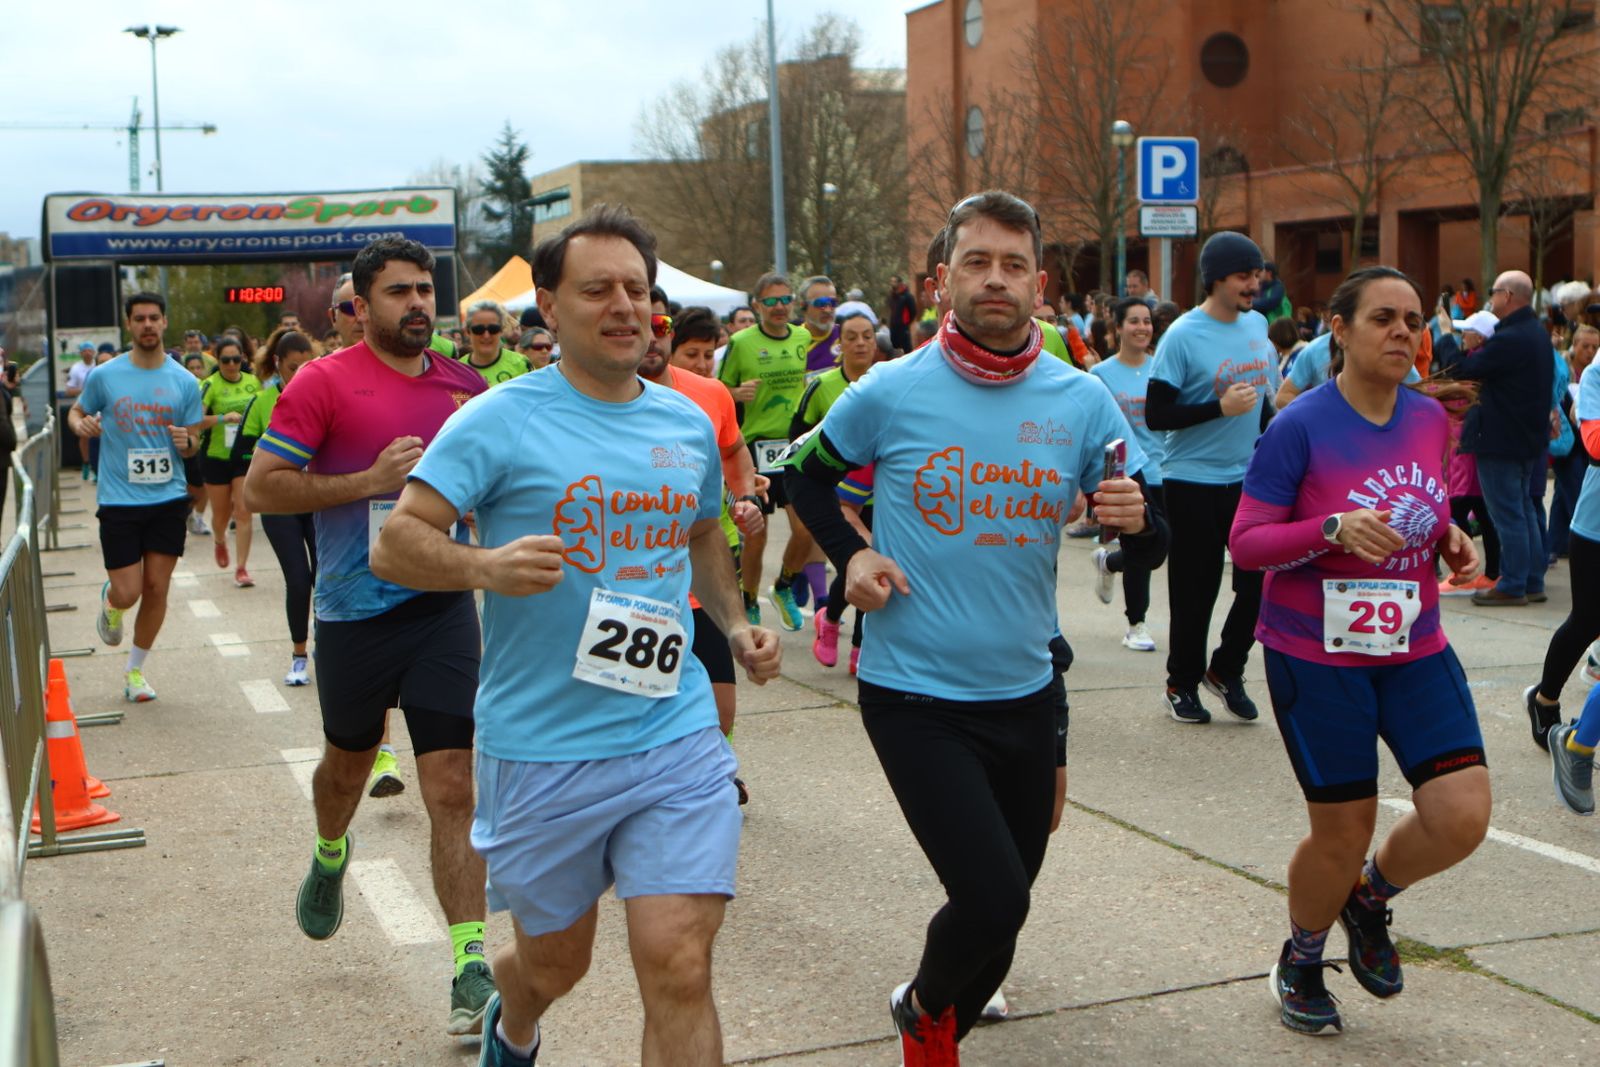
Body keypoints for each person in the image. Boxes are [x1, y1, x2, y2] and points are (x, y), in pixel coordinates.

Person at [369, 205, 781, 1067]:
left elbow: (702, 531)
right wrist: (484, 566)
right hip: (543, 746)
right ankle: (513, 1020)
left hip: (671, 729)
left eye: (637, 289)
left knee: (678, 959)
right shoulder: (498, 418)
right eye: (598, 290)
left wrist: (737, 621)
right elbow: (395, 542)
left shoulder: (683, 420)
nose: (624, 306)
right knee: (556, 962)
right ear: (550, 309)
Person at [786, 191, 1165, 1065]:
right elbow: (803, 477)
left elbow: (1150, 538)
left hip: (1026, 691)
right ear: (941, 281)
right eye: (977, 262)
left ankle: (931, 1003)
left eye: (1014, 265)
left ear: (1041, 284)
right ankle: (925, 1022)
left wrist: (1140, 522)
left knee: (1002, 917)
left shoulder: (1082, 400)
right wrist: (850, 553)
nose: (996, 279)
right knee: (993, 898)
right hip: (913, 695)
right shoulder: (891, 388)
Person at [242, 237, 496, 1035]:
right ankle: (330, 850)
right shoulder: (322, 382)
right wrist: (370, 483)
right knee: (345, 770)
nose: (417, 303)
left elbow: (498, 484)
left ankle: (470, 965)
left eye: (425, 289)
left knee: (452, 783)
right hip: (353, 614)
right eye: (397, 291)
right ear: (358, 304)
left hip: (442, 607)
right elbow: (261, 488)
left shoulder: (466, 387)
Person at [1230, 265, 1489, 1037]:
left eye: (1413, 319)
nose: (1403, 332)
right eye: (1383, 318)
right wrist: (1330, 528)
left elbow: (1420, 504)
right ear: (1339, 330)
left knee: (1462, 813)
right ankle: (1302, 958)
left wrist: (1446, 536)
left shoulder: (1428, 418)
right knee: (1342, 831)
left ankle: (1368, 899)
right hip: (1317, 657)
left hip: (1414, 644)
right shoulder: (1300, 425)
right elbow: (1247, 543)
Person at [1145, 231, 1277, 724]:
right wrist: (1218, 408)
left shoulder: (1258, 325)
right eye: (1244, 276)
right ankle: (1181, 683)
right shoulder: (1183, 335)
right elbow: (1156, 414)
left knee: (1261, 583)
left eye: (1257, 275)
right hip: (1191, 480)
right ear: (1216, 279)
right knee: (1195, 591)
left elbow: (1262, 402)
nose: (1254, 284)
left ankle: (1225, 669)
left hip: (1248, 478)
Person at [644, 298, 766, 804]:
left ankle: (715, 773)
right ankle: (685, 784)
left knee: (721, 706)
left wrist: (745, 498)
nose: (649, 333)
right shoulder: (594, 402)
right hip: (637, 588)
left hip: (700, 570)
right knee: (647, 709)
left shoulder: (708, 395)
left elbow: (733, 451)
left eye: (658, 323)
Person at [69, 291, 204, 702]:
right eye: (140, 318)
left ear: (164, 323)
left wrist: (187, 443)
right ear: (129, 324)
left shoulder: (185, 381)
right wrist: (80, 425)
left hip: (168, 498)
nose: (147, 325)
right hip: (119, 499)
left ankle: (135, 672)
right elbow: (77, 411)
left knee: (157, 588)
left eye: (154, 318)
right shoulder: (106, 375)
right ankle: (112, 602)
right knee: (129, 591)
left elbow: (193, 441)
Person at [1449, 271, 1553, 606]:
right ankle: (1531, 580)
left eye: (1493, 292)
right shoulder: (1536, 333)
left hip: (1501, 439)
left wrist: (1456, 343)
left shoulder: (1510, 338)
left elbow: (1465, 370)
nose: (1490, 298)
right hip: (1525, 439)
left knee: (1508, 514)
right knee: (1523, 509)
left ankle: (1512, 584)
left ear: (1507, 296)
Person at [718, 273, 813, 629]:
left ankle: (784, 586)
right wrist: (736, 393)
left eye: (785, 300)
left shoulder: (802, 337)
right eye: (771, 301)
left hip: (794, 446)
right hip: (756, 447)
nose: (779, 307)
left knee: (806, 530)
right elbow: (718, 390)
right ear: (757, 305)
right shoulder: (741, 342)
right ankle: (748, 600)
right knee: (756, 537)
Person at [790, 301, 881, 670]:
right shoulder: (821, 385)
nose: (860, 343)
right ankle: (829, 619)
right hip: (837, 490)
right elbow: (797, 438)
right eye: (852, 337)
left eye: (867, 336)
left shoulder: (887, 382)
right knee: (852, 563)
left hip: (880, 490)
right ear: (839, 344)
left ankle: (860, 647)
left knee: (874, 564)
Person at [1526, 337, 1600, 754]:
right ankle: (1544, 699)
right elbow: (1595, 443)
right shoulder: (1597, 374)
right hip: (1595, 527)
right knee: (1587, 621)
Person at [241, 329, 318, 686]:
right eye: (292, 368)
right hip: (279, 503)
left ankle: (326, 646)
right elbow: (240, 452)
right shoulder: (261, 402)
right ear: (277, 364)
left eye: (307, 366)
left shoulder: (322, 396)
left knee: (326, 576)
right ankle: (299, 656)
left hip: (318, 498)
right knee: (298, 580)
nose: (300, 374)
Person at [1091, 298, 1167, 652]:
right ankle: (1136, 624)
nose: (1142, 328)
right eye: (1133, 321)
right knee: (1139, 546)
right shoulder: (1100, 375)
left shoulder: (1161, 369)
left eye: (1147, 321)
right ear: (1118, 327)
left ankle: (1109, 562)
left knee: (1163, 545)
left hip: (1167, 469)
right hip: (1130, 473)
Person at [198, 336, 262, 587]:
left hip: (244, 456)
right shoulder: (210, 384)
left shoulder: (253, 382)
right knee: (221, 513)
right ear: (218, 360)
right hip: (216, 456)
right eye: (226, 360)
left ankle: (242, 568)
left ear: (243, 358)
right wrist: (222, 418)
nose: (232, 365)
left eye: (236, 359)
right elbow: (195, 421)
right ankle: (219, 539)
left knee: (244, 511)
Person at [1550, 326, 1598, 559]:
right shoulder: (1563, 370)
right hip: (1567, 444)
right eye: (1585, 346)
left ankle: (1555, 544)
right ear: (1574, 345)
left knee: (1562, 493)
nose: (1590, 351)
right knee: (1574, 492)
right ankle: (1563, 543)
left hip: (1584, 445)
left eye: (1594, 347)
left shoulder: (1595, 373)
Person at [460, 299, 532, 386]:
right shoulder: (458, 369)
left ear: (501, 331)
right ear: (468, 332)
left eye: (493, 329)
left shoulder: (521, 364)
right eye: (479, 329)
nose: (486, 336)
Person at [66, 342, 98, 481]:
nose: (87, 353)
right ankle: (86, 462)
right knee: (85, 435)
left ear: (94, 352)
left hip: (99, 405)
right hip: (84, 404)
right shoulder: (76, 368)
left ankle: (97, 466)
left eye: (90, 350)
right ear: (80, 353)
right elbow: (69, 390)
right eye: (84, 351)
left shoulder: (98, 366)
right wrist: (85, 390)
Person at [887, 274, 918, 352]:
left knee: (906, 349)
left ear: (900, 283)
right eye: (891, 282)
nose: (892, 284)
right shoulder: (892, 297)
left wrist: (906, 322)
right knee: (894, 349)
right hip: (893, 327)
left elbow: (913, 312)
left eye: (894, 281)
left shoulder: (908, 296)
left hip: (903, 328)